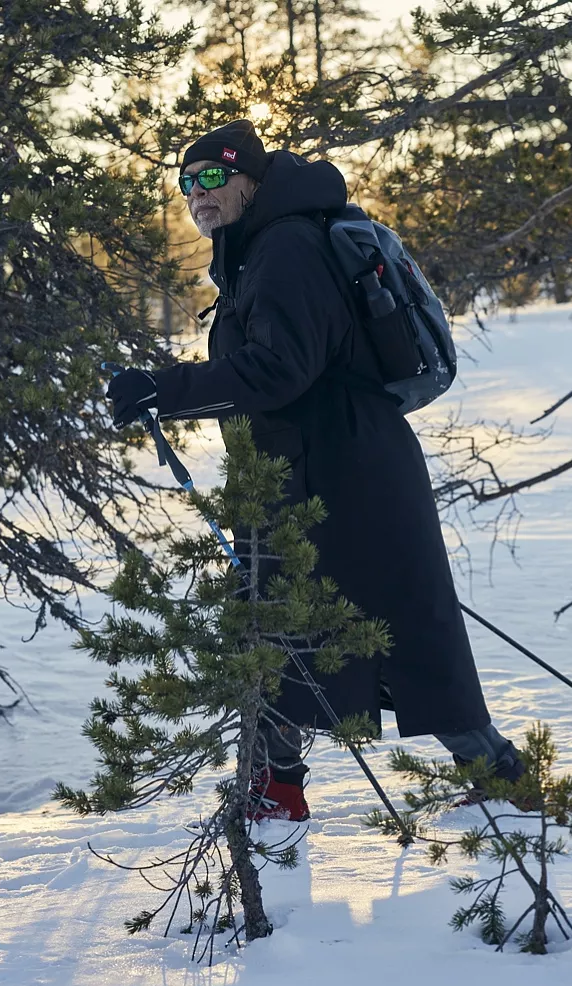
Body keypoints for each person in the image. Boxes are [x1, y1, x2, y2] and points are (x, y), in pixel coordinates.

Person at [105, 120, 523, 821]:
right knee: (276, 629)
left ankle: (499, 775)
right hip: (305, 475)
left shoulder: (286, 247)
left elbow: (280, 370)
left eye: (212, 177)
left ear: (249, 180)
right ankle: (279, 787)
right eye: (186, 182)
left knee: (398, 633)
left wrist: (164, 389)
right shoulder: (258, 250)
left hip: (349, 476)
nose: (197, 193)